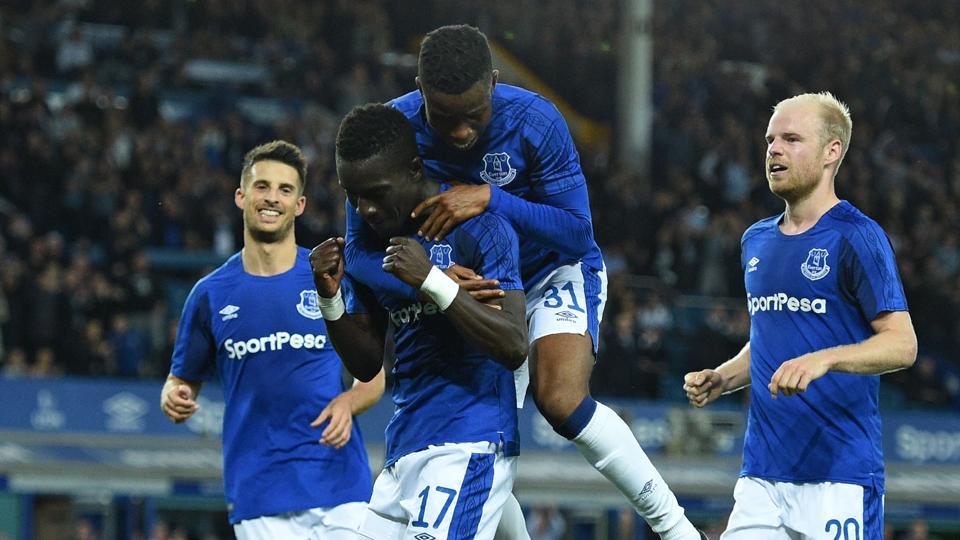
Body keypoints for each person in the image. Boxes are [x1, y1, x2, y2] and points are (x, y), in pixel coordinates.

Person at [343, 24, 702, 540]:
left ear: (493, 83)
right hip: (472, 285)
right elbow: (359, 248)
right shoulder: (393, 132)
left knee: (558, 399)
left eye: (474, 115)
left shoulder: (535, 120)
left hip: (549, 268)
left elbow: (579, 234)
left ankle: (677, 530)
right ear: (421, 94)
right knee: (487, 432)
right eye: (447, 118)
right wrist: (435, 283)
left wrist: (492, 198)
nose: (463, 132)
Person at [683, 92, 917, 539]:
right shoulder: (755, 240)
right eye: (771, 140)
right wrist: (724, 376)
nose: (774, 149)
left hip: (839, 475)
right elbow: (773, 334)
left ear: (832, 152)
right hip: (761, 475)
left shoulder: (858, 237)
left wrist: (824, 358)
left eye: (792, 139)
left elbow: (902, 344)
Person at [311, 103, 528, 540]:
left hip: (469, 439)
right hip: (404, 447)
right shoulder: (373, 251)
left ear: (413, 169)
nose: (365, 209)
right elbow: (367, 364)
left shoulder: (482, 230)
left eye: (376, 192)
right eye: (354, 196)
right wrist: (329, 298)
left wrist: (430, 279)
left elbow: (513, 344)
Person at [159, 140, 385, 539]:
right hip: (259, 492)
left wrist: (349, 402)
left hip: (338, 484)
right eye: (262, 186)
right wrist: (172, 394)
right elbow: (182, 380)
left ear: (299, 205)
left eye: (285, 190)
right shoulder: (210, 294)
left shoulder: (330, 279)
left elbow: (374, 374)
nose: (272, 198)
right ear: (241, 195)